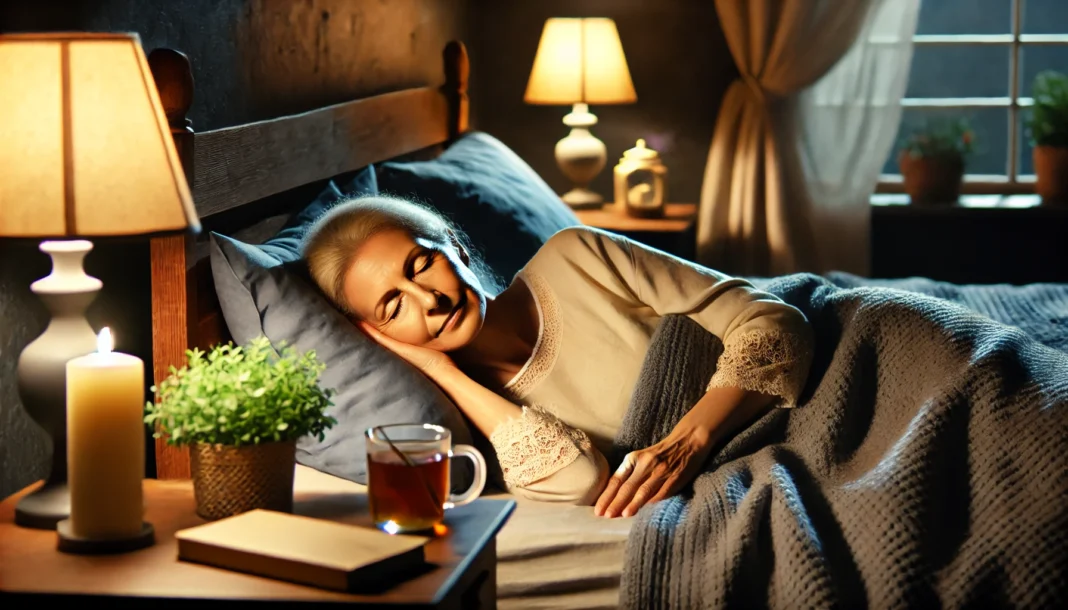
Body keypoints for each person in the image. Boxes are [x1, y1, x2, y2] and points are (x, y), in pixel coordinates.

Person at [303, 196, 814, 518]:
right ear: (378, 336)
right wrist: (441, 372)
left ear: (454, 247)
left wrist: (689, 440)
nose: (429, 302)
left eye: (420, 266)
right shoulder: (482, 421)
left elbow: (774, 321)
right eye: (393, 307)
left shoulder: (576, 256)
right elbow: (582, 481)